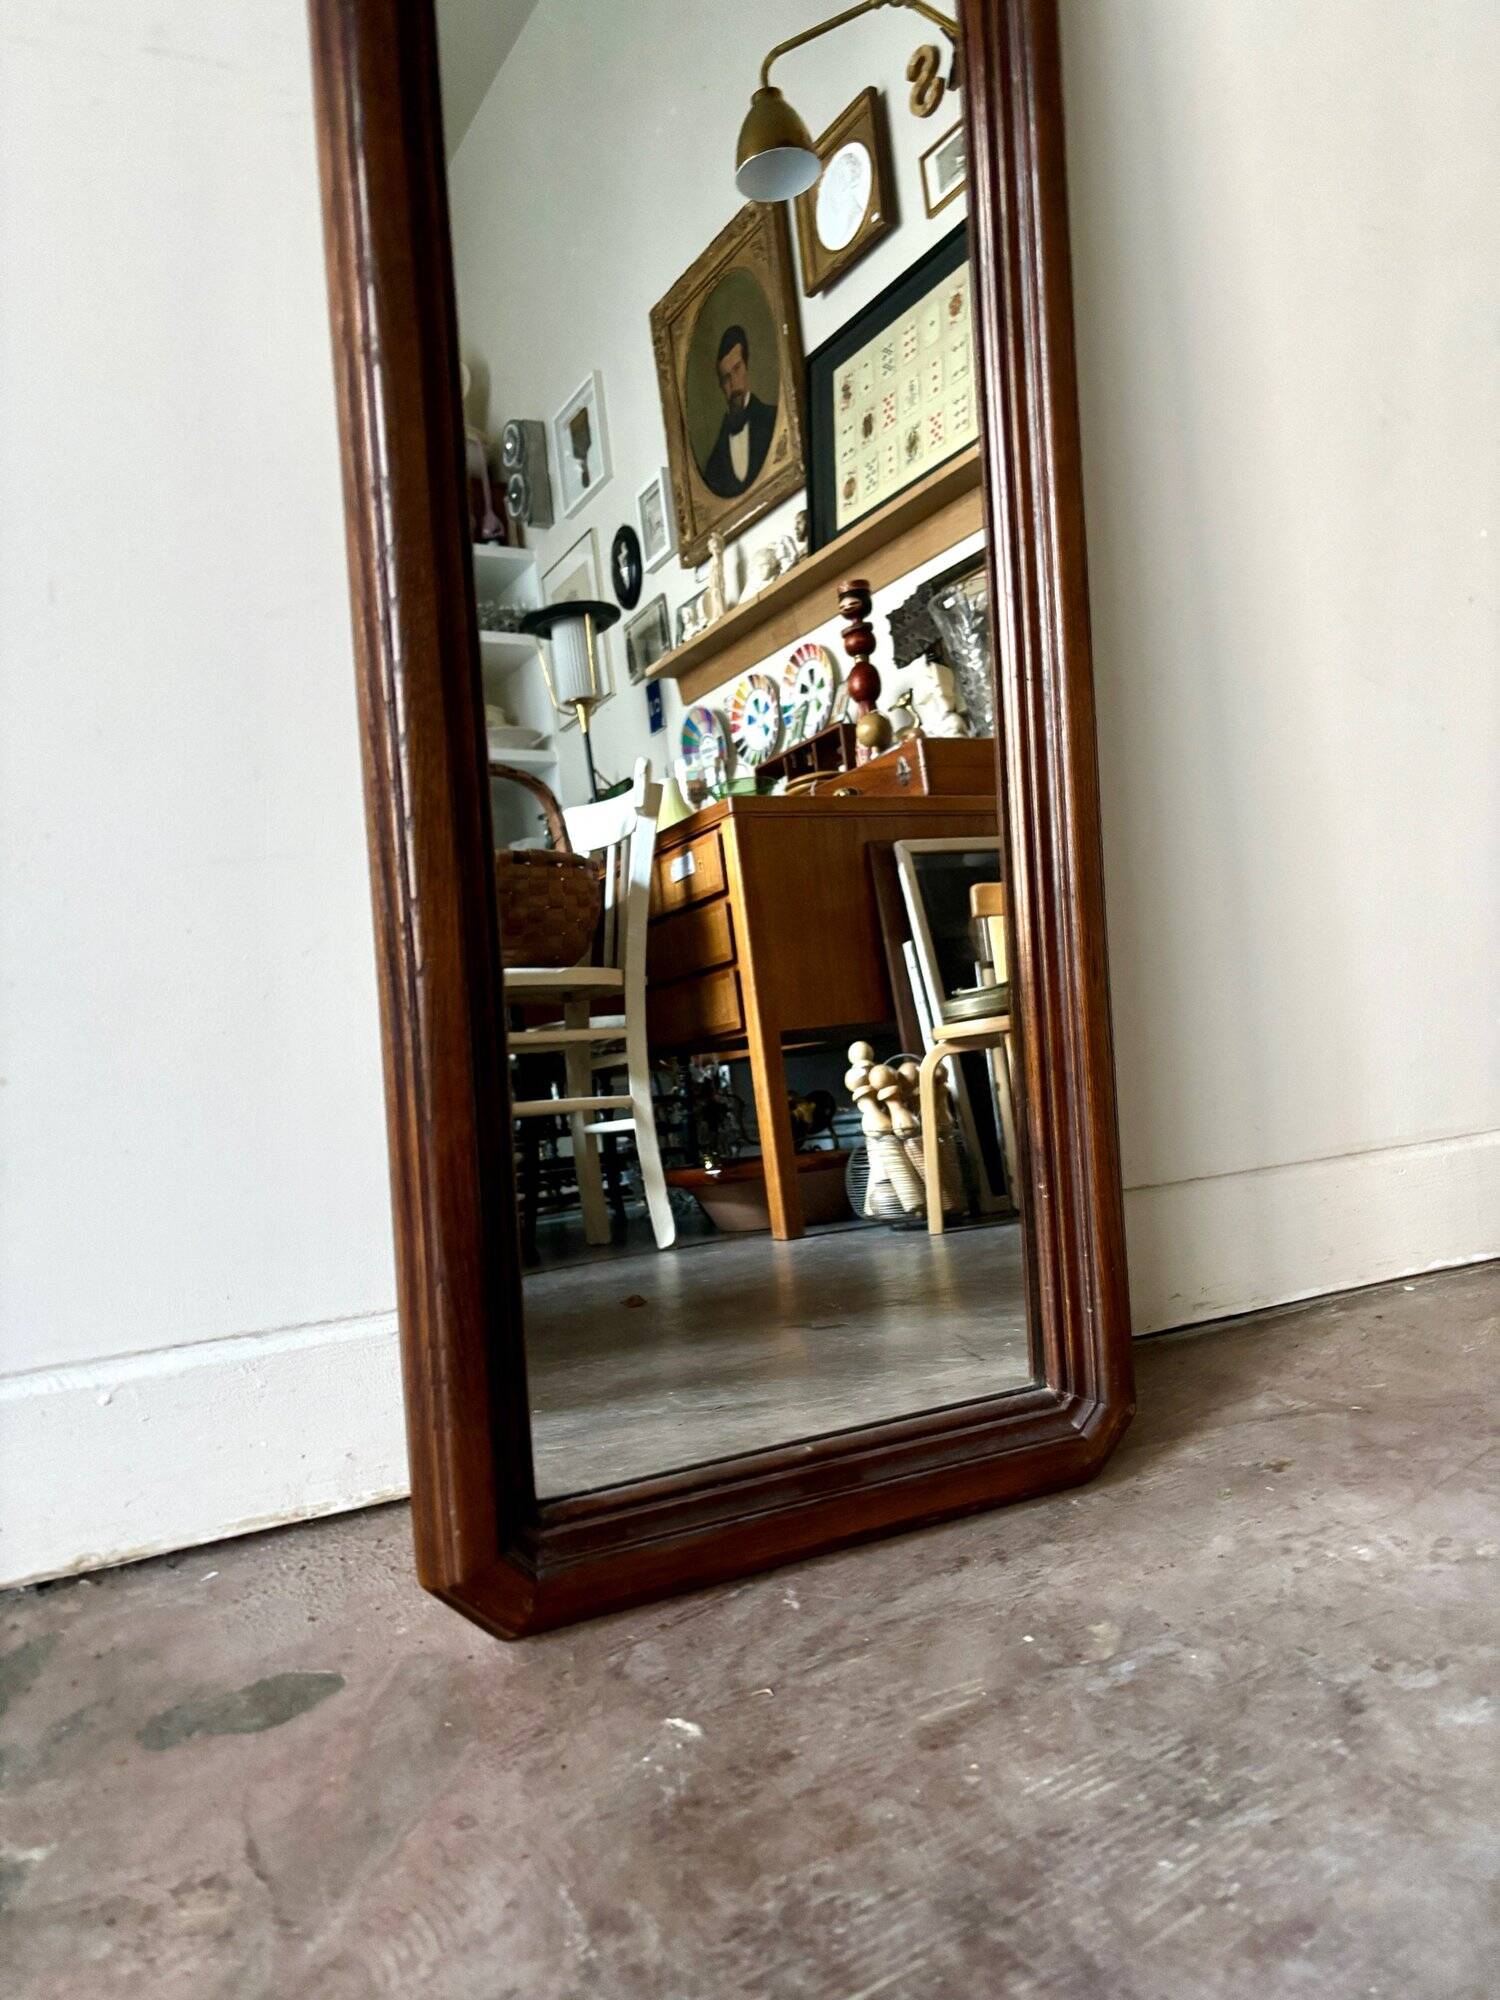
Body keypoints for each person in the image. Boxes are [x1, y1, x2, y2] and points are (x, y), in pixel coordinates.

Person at [699, 323, 777, 499]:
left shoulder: (774, 420)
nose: (733, 385)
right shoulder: (714, 465)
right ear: (720, 385)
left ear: (746, 365)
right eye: (726, 378)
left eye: (737, 369)